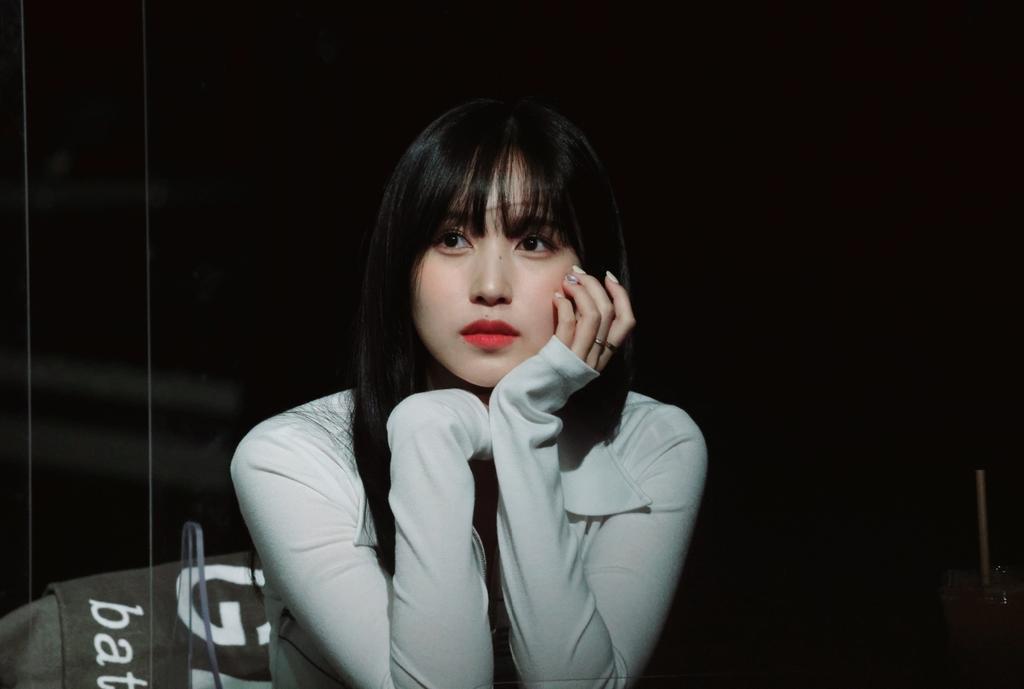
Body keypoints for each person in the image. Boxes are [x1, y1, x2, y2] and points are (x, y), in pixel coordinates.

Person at [230, 97, 708, 689]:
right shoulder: (289, 459)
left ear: (594, 274)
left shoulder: (655, 445)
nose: (490, 285)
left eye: (534, 241)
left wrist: (525, 417)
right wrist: (429, 426)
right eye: (452, 238)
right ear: (402, 266)